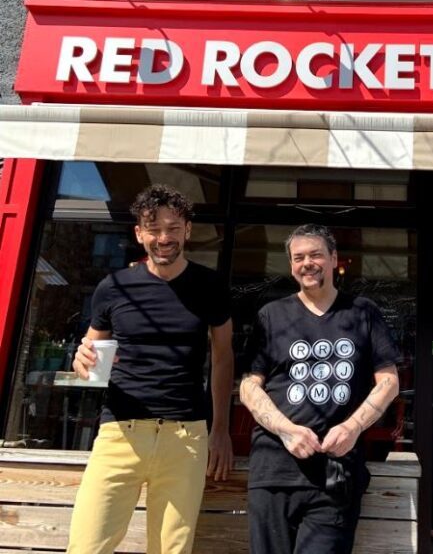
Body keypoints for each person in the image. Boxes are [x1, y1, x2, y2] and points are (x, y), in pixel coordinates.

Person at [67, 184, 234, 554]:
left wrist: (220, 429)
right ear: (139, 233)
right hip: (119, 433)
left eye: (173, 228)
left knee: (171, 550)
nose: (164, 237)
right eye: (153, 228)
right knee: (87, 545)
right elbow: (89, 354)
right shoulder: (113, 287)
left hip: (185, 437)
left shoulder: (210, 286)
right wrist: (81, 361)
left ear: (188, 231)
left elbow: (223, 357)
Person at [239, 223, 400, 554]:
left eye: (315, 255)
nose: (307, 263)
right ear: (291, 265)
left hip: (335, 473)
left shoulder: (362, 312)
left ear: (333, 258)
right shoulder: (271, 314)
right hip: (273, 471)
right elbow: (248, 386)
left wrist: (353, 427)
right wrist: (286, 431)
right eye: (298, 257)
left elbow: (389, 381)